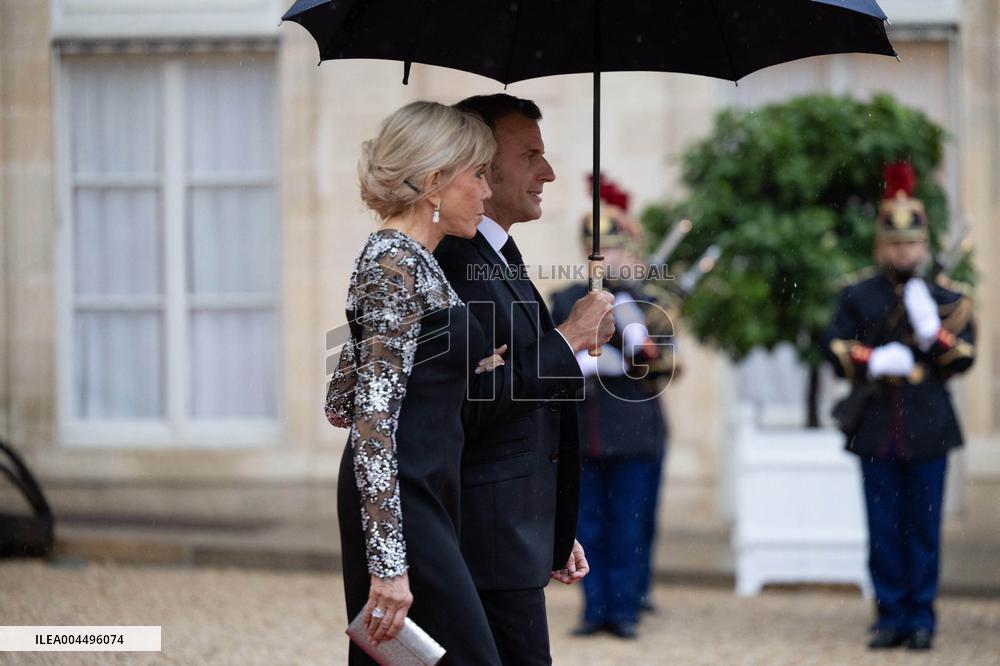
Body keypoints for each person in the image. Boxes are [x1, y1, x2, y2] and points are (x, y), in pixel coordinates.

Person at [327, 100, 516, 665]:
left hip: (427, 487)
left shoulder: (414, 257)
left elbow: (341, 400)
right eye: (478, 174)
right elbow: (368, 422)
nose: (487, 191)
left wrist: (465, 366)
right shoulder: (392, 262)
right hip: (403, 494)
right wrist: (388, 567)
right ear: (435, 182)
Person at [435, 94, 615, 665]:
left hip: (510, 531)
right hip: (484, 537)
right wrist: (569, 337)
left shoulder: (497, 255)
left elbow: (523, 409)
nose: (549, 172)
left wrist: (551, 523)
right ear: (482, 166)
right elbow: (469, 407)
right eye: (531, 155)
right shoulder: (458, 262)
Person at [823, 163, 975, 651]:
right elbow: (833, 347)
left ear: (924, 246)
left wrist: (933, 334)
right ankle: (890, 615)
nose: (903, 251)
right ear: (880, 245)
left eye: (911, 244)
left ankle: (922, 616)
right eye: (895, 243)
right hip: (876, 424)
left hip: (928, 423)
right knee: (883, 528)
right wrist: (873, 359)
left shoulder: (947, 298)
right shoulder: (858, 294)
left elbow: (964, 357)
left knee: (923, 529)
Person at [550, 177, 677, 639]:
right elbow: (547, 359)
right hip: (583, 426)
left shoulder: (648, 302)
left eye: (614, 250)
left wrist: (631, 335)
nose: (604, 259)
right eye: (596, 250)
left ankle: (623, 609)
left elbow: (665, 363)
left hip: (632, 424)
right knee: (588, 524)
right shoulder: (566, 299)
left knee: (628, 523)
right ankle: (594, 608)